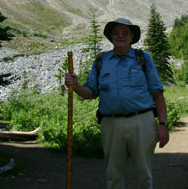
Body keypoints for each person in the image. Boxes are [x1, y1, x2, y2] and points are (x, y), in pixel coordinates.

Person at [65, 17, 169, 189]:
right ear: (111, 37)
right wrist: (75, 86)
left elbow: (158, 94)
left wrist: (163, 125)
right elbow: (90, 93)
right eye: (116, 32)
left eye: (125, 33)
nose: (120, 35)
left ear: (131, 37)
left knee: (144, 174)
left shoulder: (143, 59)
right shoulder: (101, 61)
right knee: (113, 175)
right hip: (110, 123)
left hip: (142, 121)